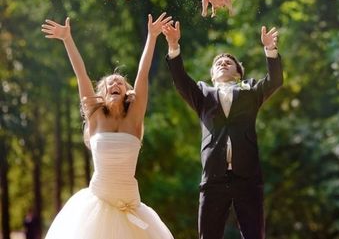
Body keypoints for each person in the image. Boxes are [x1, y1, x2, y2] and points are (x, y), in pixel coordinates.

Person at [40, 13, 174, 239]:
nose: (115, 83)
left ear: (126, 92)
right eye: (110, 82)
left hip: (131, 205)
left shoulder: (134, 119)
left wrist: (152, 37)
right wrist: (67, 39)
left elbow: (142, 73)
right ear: (101, 93)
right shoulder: (95, 118)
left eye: (120, 82)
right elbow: (81, 74)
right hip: (96, 208)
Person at [163, 21, 283, 239]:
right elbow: (181, 82)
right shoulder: (202, 94)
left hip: (247, 176)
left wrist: (270, 50)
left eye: (229, 62)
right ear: (211, 74)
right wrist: (173, 47)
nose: (223, 63)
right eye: (219, 62)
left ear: (238, 73)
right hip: (213, 177)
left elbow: (275, 81)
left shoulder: (250, 91)